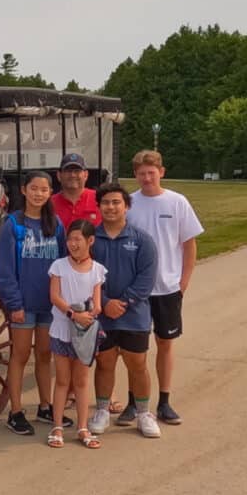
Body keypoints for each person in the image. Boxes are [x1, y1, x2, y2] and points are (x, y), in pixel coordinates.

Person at [118, 149, 204, 426]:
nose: (147, 178)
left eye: (151, 173)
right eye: (141, 173)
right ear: (135, 175)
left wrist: (183, 282)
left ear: (161, 172)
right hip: (136, 290)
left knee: (165, 343)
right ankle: (134, 402)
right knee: (135, 350)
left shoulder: (177, 202)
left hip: (167, 287)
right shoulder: (129, 204)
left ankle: (165, 402)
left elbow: (189, 244)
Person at [0, 170, 70, 436]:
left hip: (49, 303)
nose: (39, 194)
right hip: (23, 304)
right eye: (34, 188)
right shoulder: (13, 225)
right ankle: (15, 411)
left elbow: (64, 263)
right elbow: (5, 270)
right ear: (24, 190)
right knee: (20, 355)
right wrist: (14, 304)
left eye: (44, 189)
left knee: (44, 354)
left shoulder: (56, 224)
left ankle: (45, 405)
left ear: (51, 193)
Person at [88, 183, 161, 439]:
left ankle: (143, 414)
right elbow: (84, 274)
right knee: (104, 363)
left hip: (134, 314)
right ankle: (102, 411)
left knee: (137, 364)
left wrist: (124, 302)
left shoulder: (142, 240)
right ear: (99, 207)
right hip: (102, 313)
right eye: (105, 202)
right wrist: (105, 302)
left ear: (126, 206)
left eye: (116, 202)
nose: (111, 207)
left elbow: (146, 279)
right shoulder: (91, 239)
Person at [46, 219, 107, 448]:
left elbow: (98, 304)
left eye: (77, 239)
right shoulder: (59, 266)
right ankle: (57, 426)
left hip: (84, 333)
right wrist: (73, 314)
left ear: (90, 241)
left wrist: (88, 314)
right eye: (70, 239)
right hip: (62, 329)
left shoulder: (97, 270)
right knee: (62, 380)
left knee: (81, 381)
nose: (73, 244)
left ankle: (83, 427)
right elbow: (55, 297)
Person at [51, 152, 100, 229]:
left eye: (77, 171)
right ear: (59, 175)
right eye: (68, 171)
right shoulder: (49, 204)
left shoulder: (100, 199)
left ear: (86, 175)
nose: (72, 175)